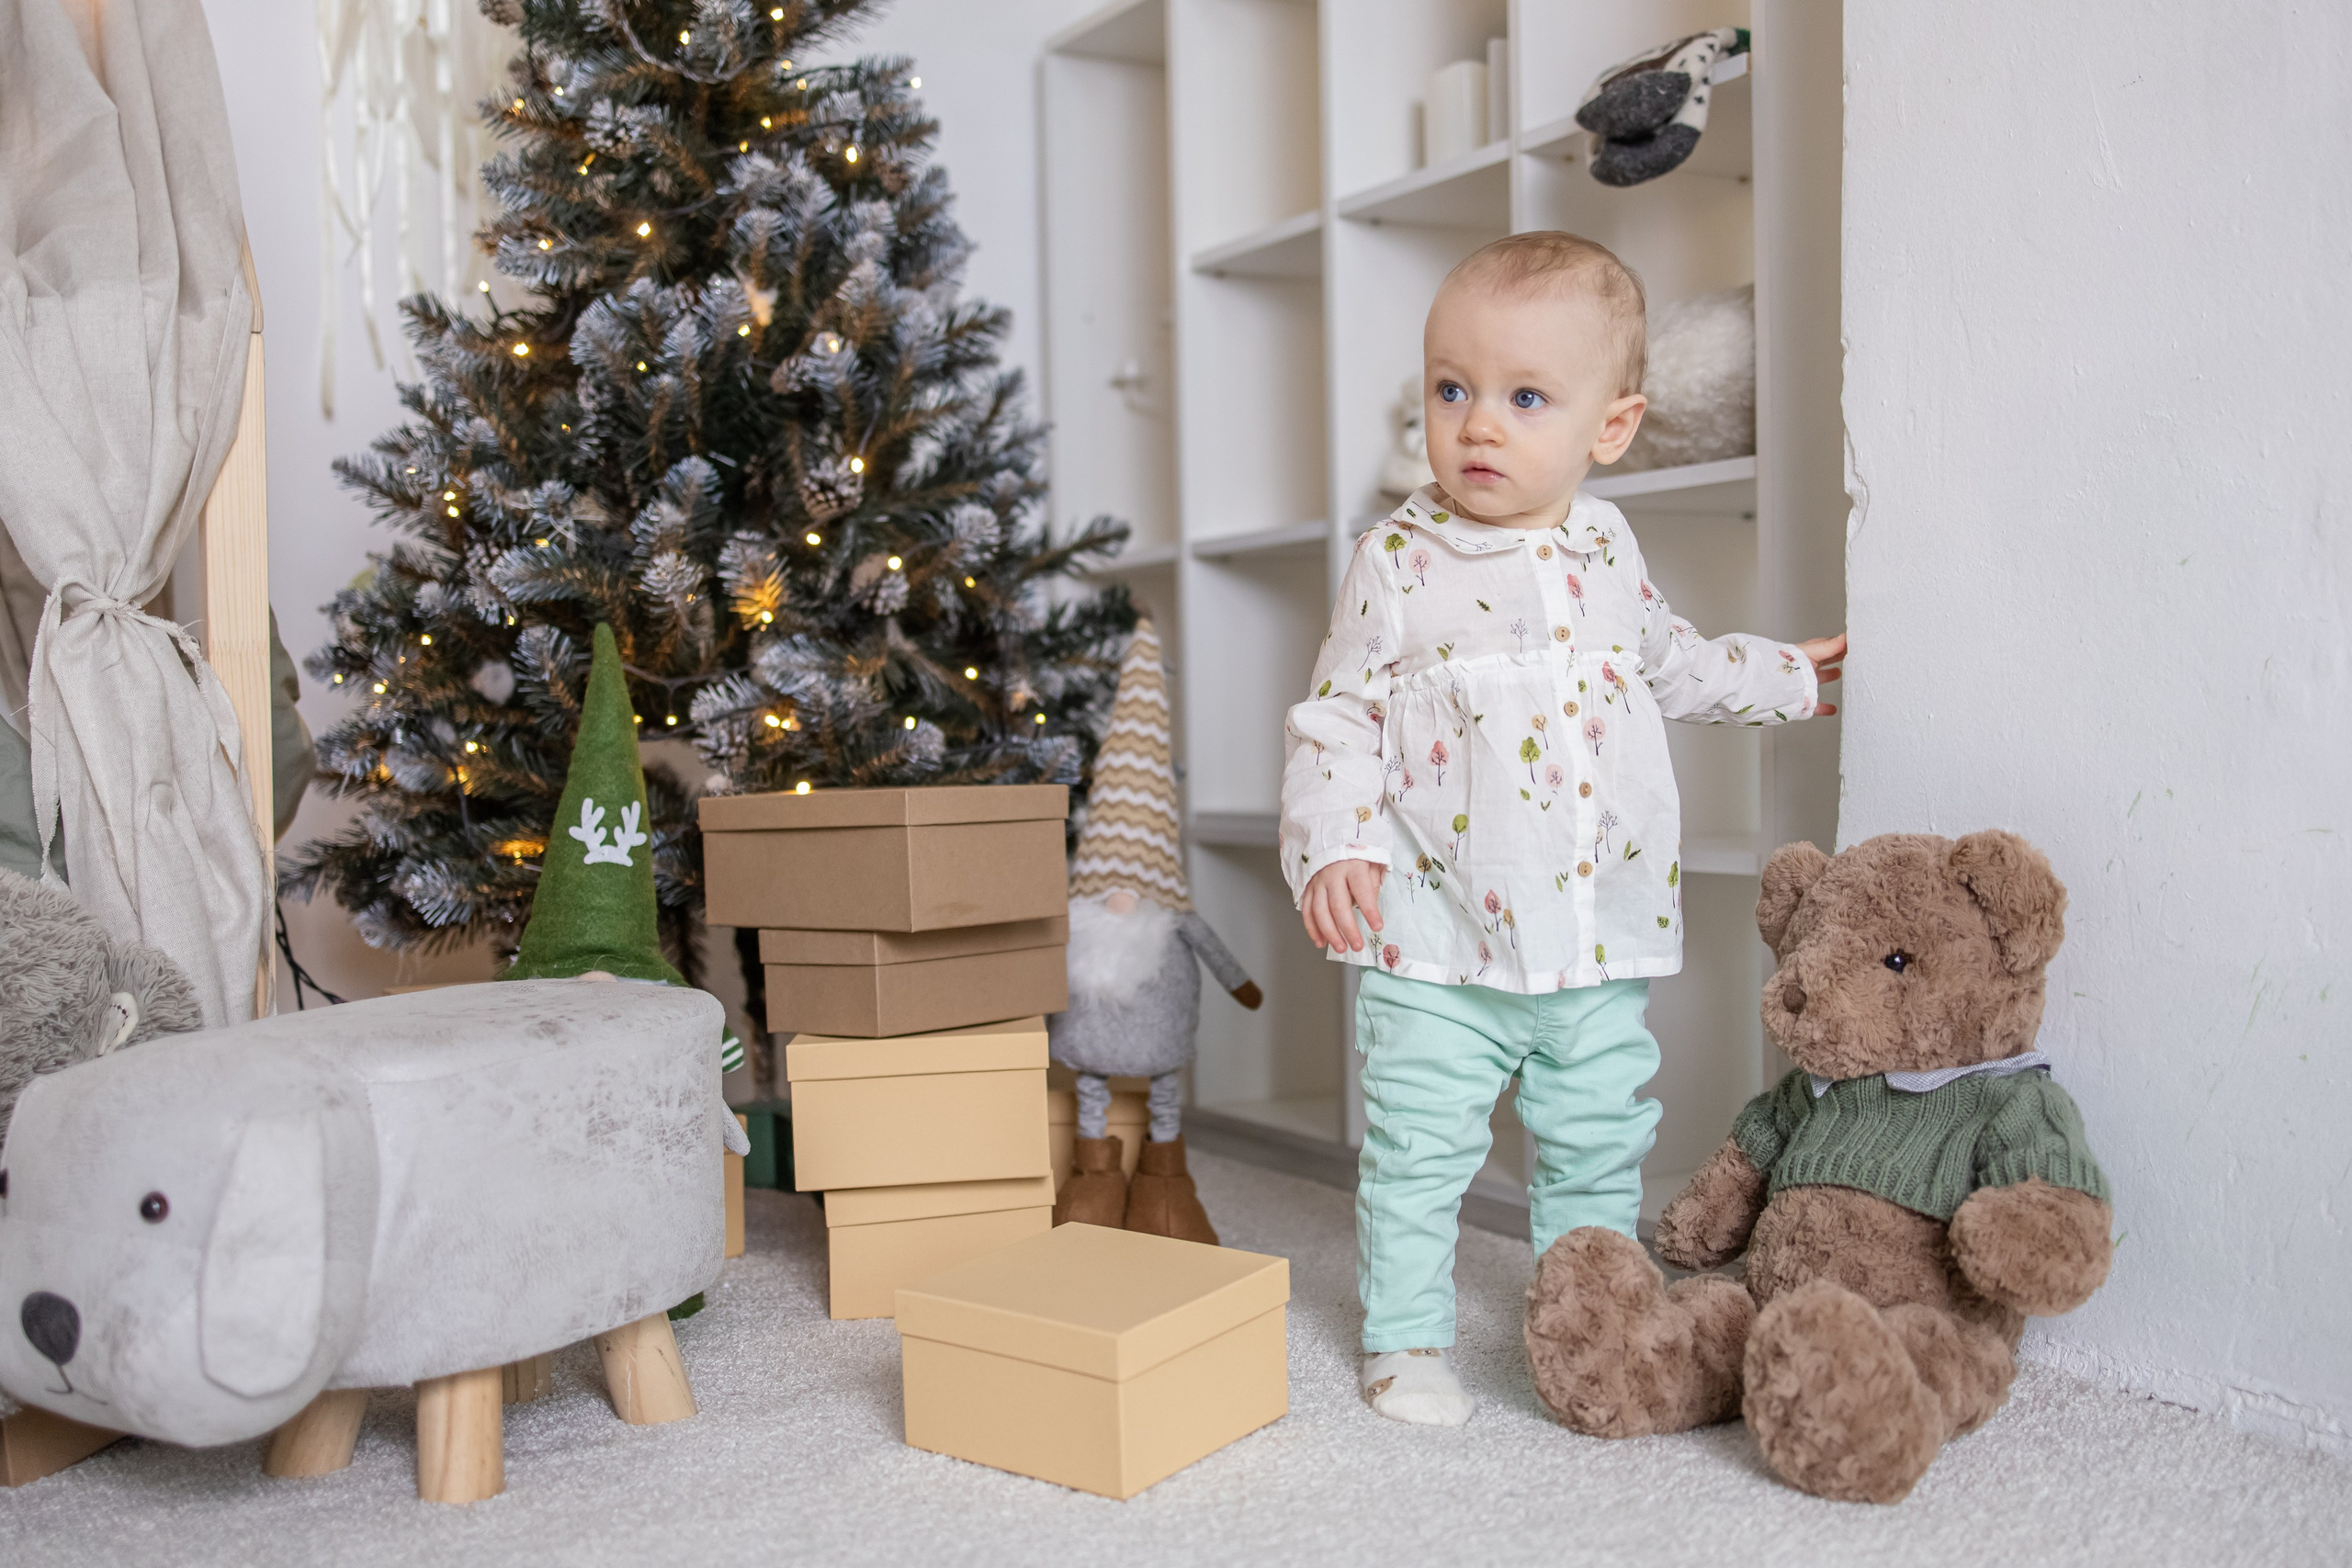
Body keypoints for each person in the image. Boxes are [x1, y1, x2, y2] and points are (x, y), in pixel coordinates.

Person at [1278, 231, 1846, 1427]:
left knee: (1594, 1152)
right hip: (1437, 937)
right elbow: (1337, 718)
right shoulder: (1395, 562)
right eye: (1452, 389)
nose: (1479, 425)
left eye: (1524, 397)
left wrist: (1782, 675)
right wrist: (1337, 845)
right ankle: (1406, 1339)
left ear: (1612, 427)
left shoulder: (1607, 550)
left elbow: (1676, 666)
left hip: (1592, 937)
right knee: (1422, 1154)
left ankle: (1589, 1336)